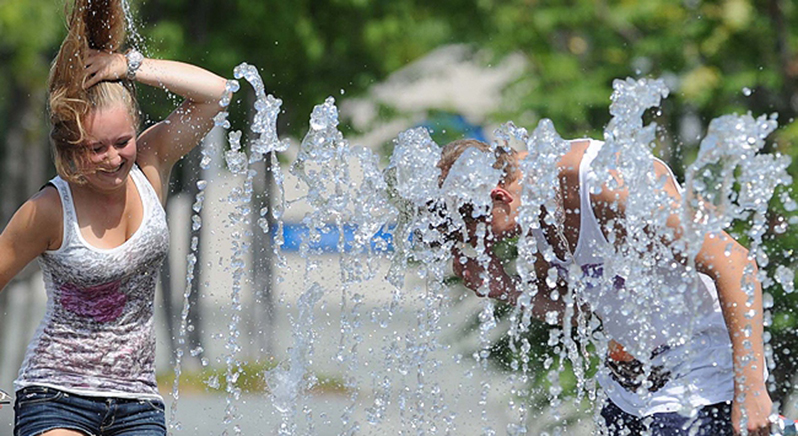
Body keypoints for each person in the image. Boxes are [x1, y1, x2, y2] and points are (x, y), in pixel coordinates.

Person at [439, 138, 773, 435]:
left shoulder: (605, 181)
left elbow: (736, 264)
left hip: (700, 387)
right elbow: (581, 313)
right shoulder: (531, 215)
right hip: (626, 397)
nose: (484, 244)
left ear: (499, 196)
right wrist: (507, 290)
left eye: (479, 233)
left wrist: (751, 390)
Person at [0, 0, 227, 434]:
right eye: (95, 148)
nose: (112, 159)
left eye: (121, 141)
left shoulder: (149, 165)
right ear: (70, 150)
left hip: (138, 401)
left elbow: (218, 95)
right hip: (55, 396)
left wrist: (127, 63)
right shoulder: (49, 210)